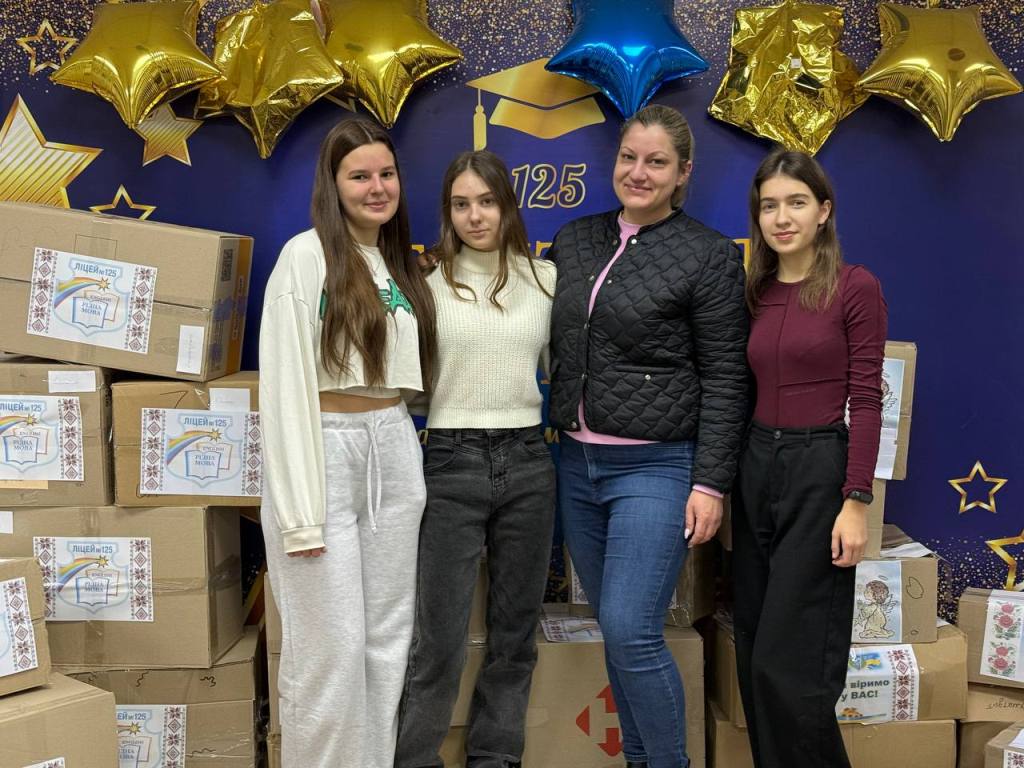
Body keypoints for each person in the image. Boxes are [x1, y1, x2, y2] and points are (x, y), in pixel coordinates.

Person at [547, 104, 749, 768]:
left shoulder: (708, 255)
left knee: (632, 630)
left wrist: (710, 482)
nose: (639, 172)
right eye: (629, 157)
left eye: (656, 162)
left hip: (657, 469)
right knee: (616, 631)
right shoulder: (574, 239)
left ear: (683, 172)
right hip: (576, 465)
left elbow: (726, 376)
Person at [259, 116, 437, 768]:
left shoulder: (399, 263)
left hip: (391, 443)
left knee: (386, 643)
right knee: (328, 650)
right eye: (359, 175)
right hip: (325, 448)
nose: (376, 187)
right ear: (332, 184)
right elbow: (283, 389)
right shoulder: (305, 257)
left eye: (386, 173)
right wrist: (300, 514)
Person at [395, 150, 556, 768]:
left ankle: (495, 757)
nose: (475, 216)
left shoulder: (546, 281)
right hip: (450, 459)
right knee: (438, 638)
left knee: (515, 636)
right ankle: (415, 760)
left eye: (486, 201)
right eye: (461, 204)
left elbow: (562, 372)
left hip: (529, 461)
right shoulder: (425, 288)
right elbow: (410, 386)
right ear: (448, 212)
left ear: (507, 204)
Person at [732, 148, 887, 768]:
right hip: (754, 469)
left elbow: (867, 399)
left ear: (823, 210)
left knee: (790, 666)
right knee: (753, 658)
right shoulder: (755, 291)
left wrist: (856, 500)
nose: (781, 217)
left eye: (796, 202)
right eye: (769, 205)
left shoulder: (855, 287)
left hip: (819, 469)